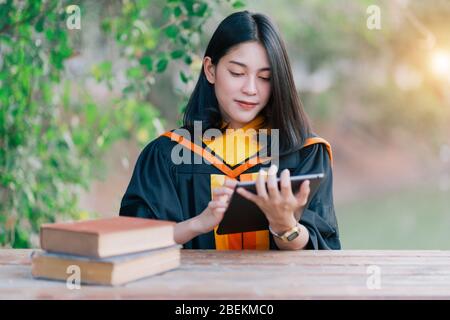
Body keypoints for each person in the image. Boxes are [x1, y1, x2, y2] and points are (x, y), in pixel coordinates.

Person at [119, 11, 341, 250]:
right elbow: (133, 243)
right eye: (237, 73)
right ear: (210, 70)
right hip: (194, 288)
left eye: (265, 77)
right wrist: (196, 224)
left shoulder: (305, 153)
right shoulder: (167, 154)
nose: (251, 89)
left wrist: (285, 226)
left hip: (276, 288)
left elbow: (322, 249)